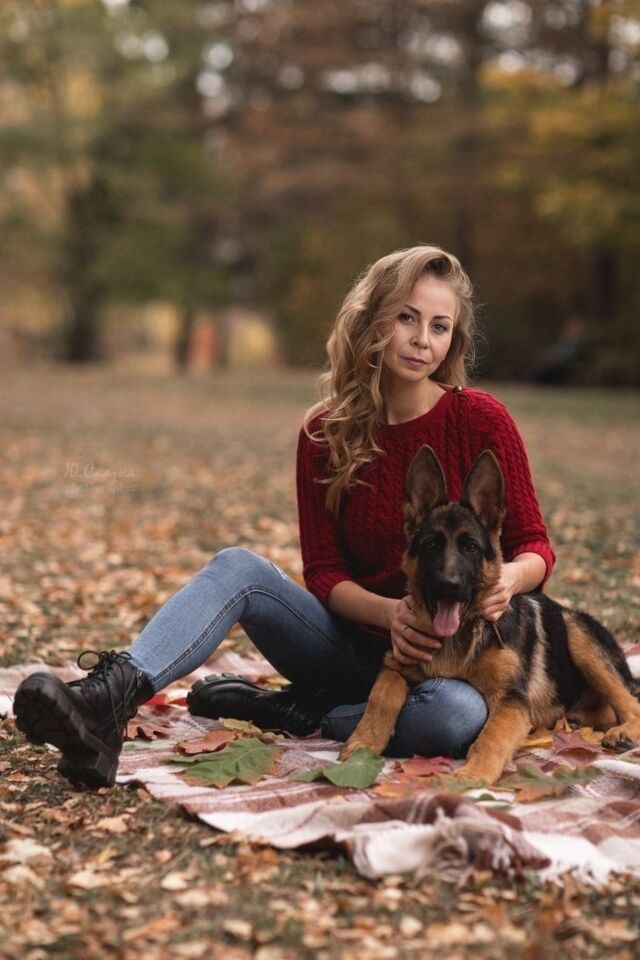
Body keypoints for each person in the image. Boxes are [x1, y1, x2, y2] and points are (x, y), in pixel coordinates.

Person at [14, 244, 555, 789]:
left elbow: (535, 545)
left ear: (453, 339)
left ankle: (289, 711)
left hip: (448, 660)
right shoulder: (325, 432)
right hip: (345, 651)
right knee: (238, 567)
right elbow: (324, 573)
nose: (422, 339)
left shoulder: (482, 419)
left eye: (440, 327)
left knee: (454, 717)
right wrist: (392, 614)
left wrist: (509, 578)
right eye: (406, 318)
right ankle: (108, 700)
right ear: (374, 319)